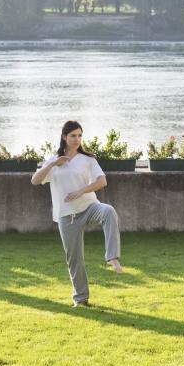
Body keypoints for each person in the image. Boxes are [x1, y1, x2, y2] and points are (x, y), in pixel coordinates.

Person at [31, 120, 123, 307]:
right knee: (75, 260)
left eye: (80, 135)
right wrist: (53, 164)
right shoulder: (54, 161)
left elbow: (102, 181)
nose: (77, 139)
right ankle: (81, 299)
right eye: (73, 135)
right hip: (67, 216)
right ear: (64, 137)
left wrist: (81, 191)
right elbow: (35, 180)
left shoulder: (88, 159)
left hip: (89, 207)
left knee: (108, 211)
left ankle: (112, 256)